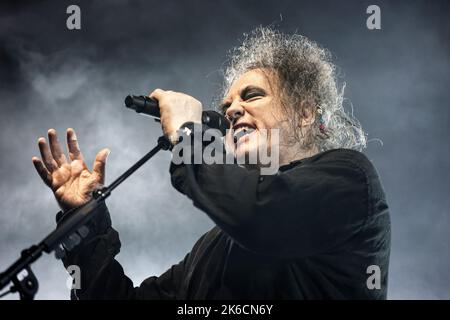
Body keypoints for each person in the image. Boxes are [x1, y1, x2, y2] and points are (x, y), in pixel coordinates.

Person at [32, 28, 390, 299]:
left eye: (252, 96)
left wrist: (190, 134)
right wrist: (85, 222)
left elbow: (260, 215)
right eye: (226, 107)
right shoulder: (214, 247)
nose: (232, 111)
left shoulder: (350, 181)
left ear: (306, 112)